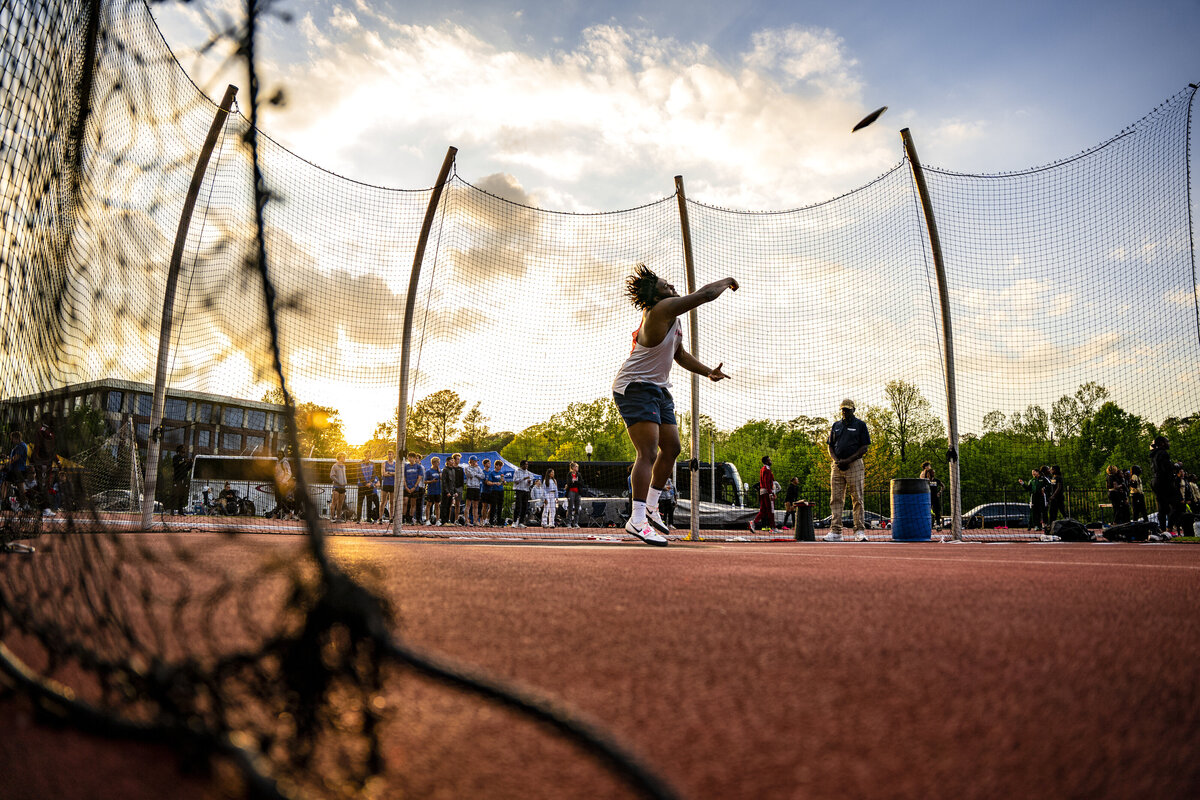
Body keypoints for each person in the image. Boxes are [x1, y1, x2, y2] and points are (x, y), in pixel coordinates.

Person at [612, 263, 737, 546]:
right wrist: (727, 279)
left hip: (658, 388)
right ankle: (637, 518)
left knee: (672, 448)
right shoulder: (660, 310)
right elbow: (704, 295)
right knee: (648, 452)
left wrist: (708, 371)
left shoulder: (673, 320)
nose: (671, 287)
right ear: (657, 297)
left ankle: (652, 507)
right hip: (635, 386)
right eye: (665, 287)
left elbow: (679, 354)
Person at [823, 399, 870, 542]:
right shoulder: (836, 425)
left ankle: (859, 531)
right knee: (835, 499)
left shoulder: (860, 425)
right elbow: (830, 445)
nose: (845, 412)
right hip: (837, 465)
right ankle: (836, 531)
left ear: (853, 410)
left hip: (854, 464)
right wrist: (836, 460)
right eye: (843, 409)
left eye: (848, 409)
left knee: (857, 498)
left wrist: (848, 460)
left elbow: (864, 447)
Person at [1149, 436, 1178, 534]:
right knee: (1176, 504)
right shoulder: (1163, 453)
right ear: (1162, 443)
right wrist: (1176, 466)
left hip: (1156, 481)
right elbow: (1166, 468)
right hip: (1164, 481)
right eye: (1167, 441)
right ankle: (1169, 528)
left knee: (1162, 507)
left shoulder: (1154, 454)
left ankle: (1163, 529)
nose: (1168, 443)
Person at [1, 429, 30, 513]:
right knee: (5, 483)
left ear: (16, 438)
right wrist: (7, 457)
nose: (11, 440)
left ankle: (25, 504)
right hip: (13, 469)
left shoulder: (21, 445)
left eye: (12, 438)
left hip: (18, 470)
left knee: (21, 488)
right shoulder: (17, 446)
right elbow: (13, 457)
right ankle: (3, 501)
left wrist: (7, 463)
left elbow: (17, 457)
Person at [1018, 467, 1049, 533]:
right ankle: (1036, 525)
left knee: (1043, 511)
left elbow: (1049, 486)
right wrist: (1023, 484)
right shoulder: (1031, 481)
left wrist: (1044, 488)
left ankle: (1045, 524)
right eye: (1032, 473)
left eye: (1034, 472)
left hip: (1042, 497)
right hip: (1034, 497)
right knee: (1035, 512)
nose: (1033, 474)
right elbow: (1028, 489)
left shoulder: (1043, 479)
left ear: (1038, 472)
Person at [752, 456, 777, 532]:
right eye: (769, 460)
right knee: (770, 510)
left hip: (762, 491)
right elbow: (767, 482)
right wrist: (771, 493)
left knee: (763, 510)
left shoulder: (763, 469)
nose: (771, 461)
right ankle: (773, 527)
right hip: (767, 492)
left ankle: (753, 522)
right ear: (766, 461)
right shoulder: (767, 470)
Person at [511, 459, 535, 528]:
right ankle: (514, 521)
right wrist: (523, 478)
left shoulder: (529, 473)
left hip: (526, 490)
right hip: (519, 490)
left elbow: (531, 483)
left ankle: (521, 522)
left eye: (527, 464)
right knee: (518, 506)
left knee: (525, 507)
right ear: (522, 465)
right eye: (525, 464)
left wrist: (529, 482)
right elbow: (515, 481)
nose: (527, 466)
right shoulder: (517, 471)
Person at [272, 451, 296, 519]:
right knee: (278, 499)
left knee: (281, 499)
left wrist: (283, 481)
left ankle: (279, 514)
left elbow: (289, 473)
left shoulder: (285, 462)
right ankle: (285, 513)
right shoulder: (277, 462)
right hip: (278, 483)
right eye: (278, 454)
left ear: (283, 455)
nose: (279, 455)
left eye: (280, 454)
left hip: (283, 484)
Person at [402, 452, 423, 524]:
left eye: (411, 457)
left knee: (413, 503)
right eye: (409, 457)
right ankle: (403, 518)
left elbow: (419, 477)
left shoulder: (418, 467)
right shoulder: (406, 466)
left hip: (415, 488)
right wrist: (406, 486)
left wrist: (414, 486)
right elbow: (403, 477)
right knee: (405, 501)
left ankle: (410, 518)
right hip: (407, 487)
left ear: (414, 458)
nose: (409, 459)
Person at [171, 444, 192, 516]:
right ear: (179, 450)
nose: (184, 449)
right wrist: (183, 460)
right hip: (177, 479)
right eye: (183, 448)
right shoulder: (176, 457)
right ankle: (172, 510)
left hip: (184, 479)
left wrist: (190, 463)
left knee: (182, 495)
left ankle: (180, 511)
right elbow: (175, 465)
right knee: (175, 494)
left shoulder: (185, 458)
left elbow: (187, 469)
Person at [440, 453, 461, 525]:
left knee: (449, 506)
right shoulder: (445, 470)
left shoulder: (453, 470)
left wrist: (455, 491)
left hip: (451, 491)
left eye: (453, 460)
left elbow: (453, 482)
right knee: (444, 506)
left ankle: (447, 521)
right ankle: (443, 521)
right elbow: (444, 482)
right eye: (451, 460)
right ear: (448, 461)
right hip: (446, 492)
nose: (453, 462)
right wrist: (447, 492)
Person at [920, 462, 943, 529]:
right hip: (928, 497)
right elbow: (922, 482)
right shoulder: (923, 475)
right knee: (927, 511)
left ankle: (938, 524)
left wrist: (939, 492)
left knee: (937, 511)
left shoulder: (936, 480)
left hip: (935, 497)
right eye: (928, 466)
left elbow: (943, 486)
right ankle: (928, 524)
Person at [485, 459, 506, 525]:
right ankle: (491, 521)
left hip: (501, 491)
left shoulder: (501, 473)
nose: (500, 467)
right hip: (494, 491)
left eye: (501, 466)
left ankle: (499, 521)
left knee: (500, 506)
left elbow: (504, 482)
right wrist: (495, 483)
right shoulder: (492, 473)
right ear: (496, 466)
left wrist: (504, 482)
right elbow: (488, 482)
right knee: (493, 507)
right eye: (499, 466)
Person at [463, 455, 483, 525]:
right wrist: (477, 474)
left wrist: (476, 474)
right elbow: (470, 475)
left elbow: (482, 476)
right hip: (470, 487)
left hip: (477, 487)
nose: (475, 462)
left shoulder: (478, 468)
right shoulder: (467, 468)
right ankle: (466, 521)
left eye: (476, 461)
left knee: (476, 505)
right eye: (474, 461)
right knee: (468, 505)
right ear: (471, 461)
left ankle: (475, 521)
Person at [564, 461, 584, 528]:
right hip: (571, 492)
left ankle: (576, 523)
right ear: (572, 467)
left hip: (577, 492)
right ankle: (569, 523)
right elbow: (569, 483)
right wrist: (574, 482)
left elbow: (581, 483)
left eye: (577, 467)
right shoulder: (569, 474)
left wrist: (575, 482)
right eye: (576, 466)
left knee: (577, 508)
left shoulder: (579, 474)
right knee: (570, 507)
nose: (577, 468)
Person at [329, 453, 348, 522]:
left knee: (340, 503)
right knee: (334, 502)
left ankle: (338, 517)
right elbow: (331, 476)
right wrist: (338, 481)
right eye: (343, 457)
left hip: (343, 487)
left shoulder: (344, 466)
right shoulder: (335, 466)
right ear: (340, 457)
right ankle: (332, 517)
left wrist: (344, 482)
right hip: (336, 486)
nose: (344, 458)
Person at [424, 456, 442, 525]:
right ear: (434, 463)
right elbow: (425, 481)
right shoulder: (429, 471)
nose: (439, 464)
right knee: (429, 505)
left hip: (438, 491)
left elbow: (441, 478)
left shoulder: (439, 471)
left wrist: (439, 471)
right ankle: (427, 520)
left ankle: (437, 520)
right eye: (437, 462)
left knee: (437, 505)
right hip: (431, 491)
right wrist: (431, 481)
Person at [380, 451, 397, 522]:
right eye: (388, 454)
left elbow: (397, 473)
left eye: (391, 454)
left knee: (392, 502)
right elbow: (383, 474)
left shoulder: (396, 464)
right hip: (386, 484)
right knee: (383, 501)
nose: (389, 456)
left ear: (393, 455)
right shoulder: (384, 463)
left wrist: (389, 473)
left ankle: (391, 517)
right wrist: (392, 474)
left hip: (393, 484)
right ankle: (380, 517)